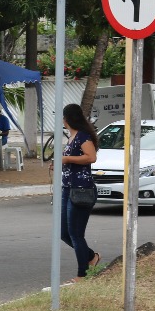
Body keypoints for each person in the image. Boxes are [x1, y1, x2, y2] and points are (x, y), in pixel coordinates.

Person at [51, 103, 100, 281]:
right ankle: (91, 257)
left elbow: (91, 157)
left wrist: (66, 158)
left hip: (82, 190)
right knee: (63, 232)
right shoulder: (72, 137)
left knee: (76, 234)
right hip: (68, 189)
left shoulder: (83, 137)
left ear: (67, 119)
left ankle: (83, 273)